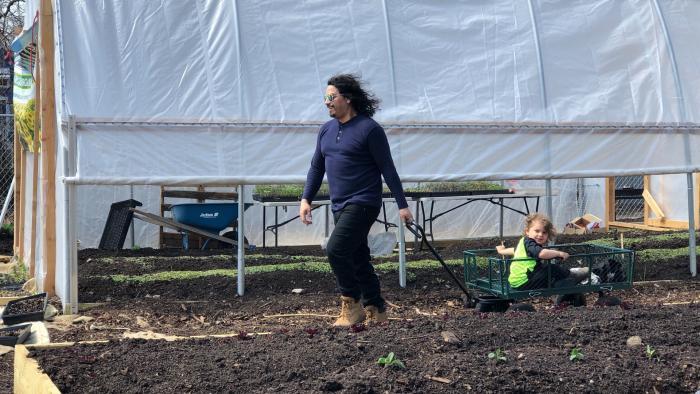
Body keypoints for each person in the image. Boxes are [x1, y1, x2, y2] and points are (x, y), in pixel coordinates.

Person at [300, 73, 413, 327]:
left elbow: (388, 169)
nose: (327, 102)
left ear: (347, 99)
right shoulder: (326, 130)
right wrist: (306, 198)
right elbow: (317, 168)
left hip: (363, 202)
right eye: (325, 98)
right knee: (357, 256)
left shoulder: (370, 130)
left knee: (336, 249)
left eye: (331, 97)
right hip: (338, 203)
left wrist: (402, 205)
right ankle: (376, 307)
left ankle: (350, 304)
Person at [496, 213, 588, 292]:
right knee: (552, 268)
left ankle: (563, 279)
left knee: (544, 268)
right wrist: (558, 254)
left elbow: (514, 250)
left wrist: (502, 251)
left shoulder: (524, 242)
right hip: (525, 282)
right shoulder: (530, 243)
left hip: (516, 282)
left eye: (544, 232)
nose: (540, 235)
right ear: (527, 232)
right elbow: (541, 254)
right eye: (537, 231)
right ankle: (572, 276)